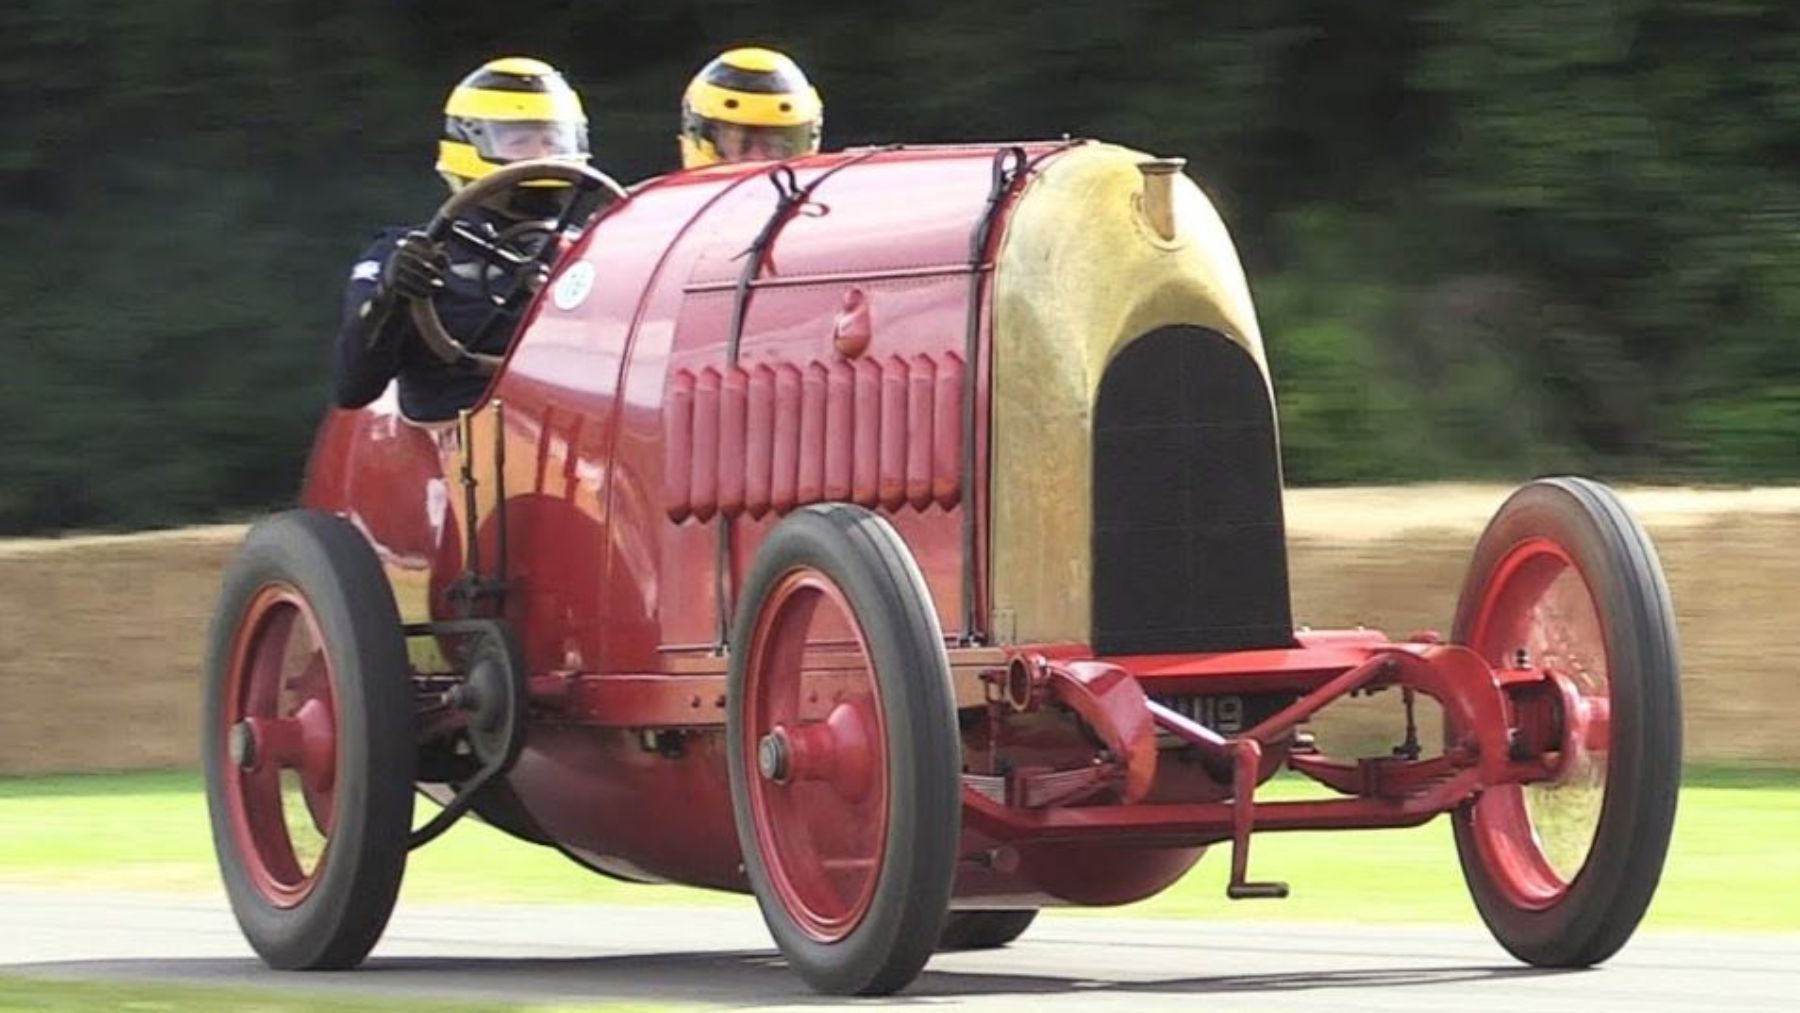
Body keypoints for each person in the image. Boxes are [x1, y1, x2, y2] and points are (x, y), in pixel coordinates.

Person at [334, 57, 591, 421]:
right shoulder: (407, 253)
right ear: (466, 149)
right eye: (521, 142)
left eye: (553, 141)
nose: (543, 156)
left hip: (585, 433)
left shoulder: (599, 248)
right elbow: (354, 388)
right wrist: (391, 296)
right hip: (461, 441)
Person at [678, 47, 823, 168]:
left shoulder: (829, 193)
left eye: (773, 145)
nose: (757, 159)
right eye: (741, 143)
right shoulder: (668, 195)